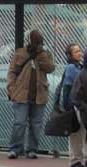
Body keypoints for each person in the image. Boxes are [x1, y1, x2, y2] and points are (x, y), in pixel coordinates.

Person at [6, 30, 55, 159]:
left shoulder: (45, 54)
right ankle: (15, 148)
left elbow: (50, 68)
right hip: (21, 94)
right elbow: (12, 72)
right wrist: (11, 89)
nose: (37, 45)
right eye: (35, 42)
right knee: (19, 122)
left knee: (36, 124)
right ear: (29, 41)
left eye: (39, 43)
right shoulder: (20, 53)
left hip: (39, 94)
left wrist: (40, 55)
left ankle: (32, 149)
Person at [62, 43, 87, 167]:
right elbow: (70, 86)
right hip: (75, 105)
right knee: (76, 133)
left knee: (82, 132)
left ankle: (82, 158)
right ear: (70, 55)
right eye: (76, 52)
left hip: (81, 104)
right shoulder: (72, 68)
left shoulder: (80, 66)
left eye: (80, 51)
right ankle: (75, 159)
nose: (79, 53)